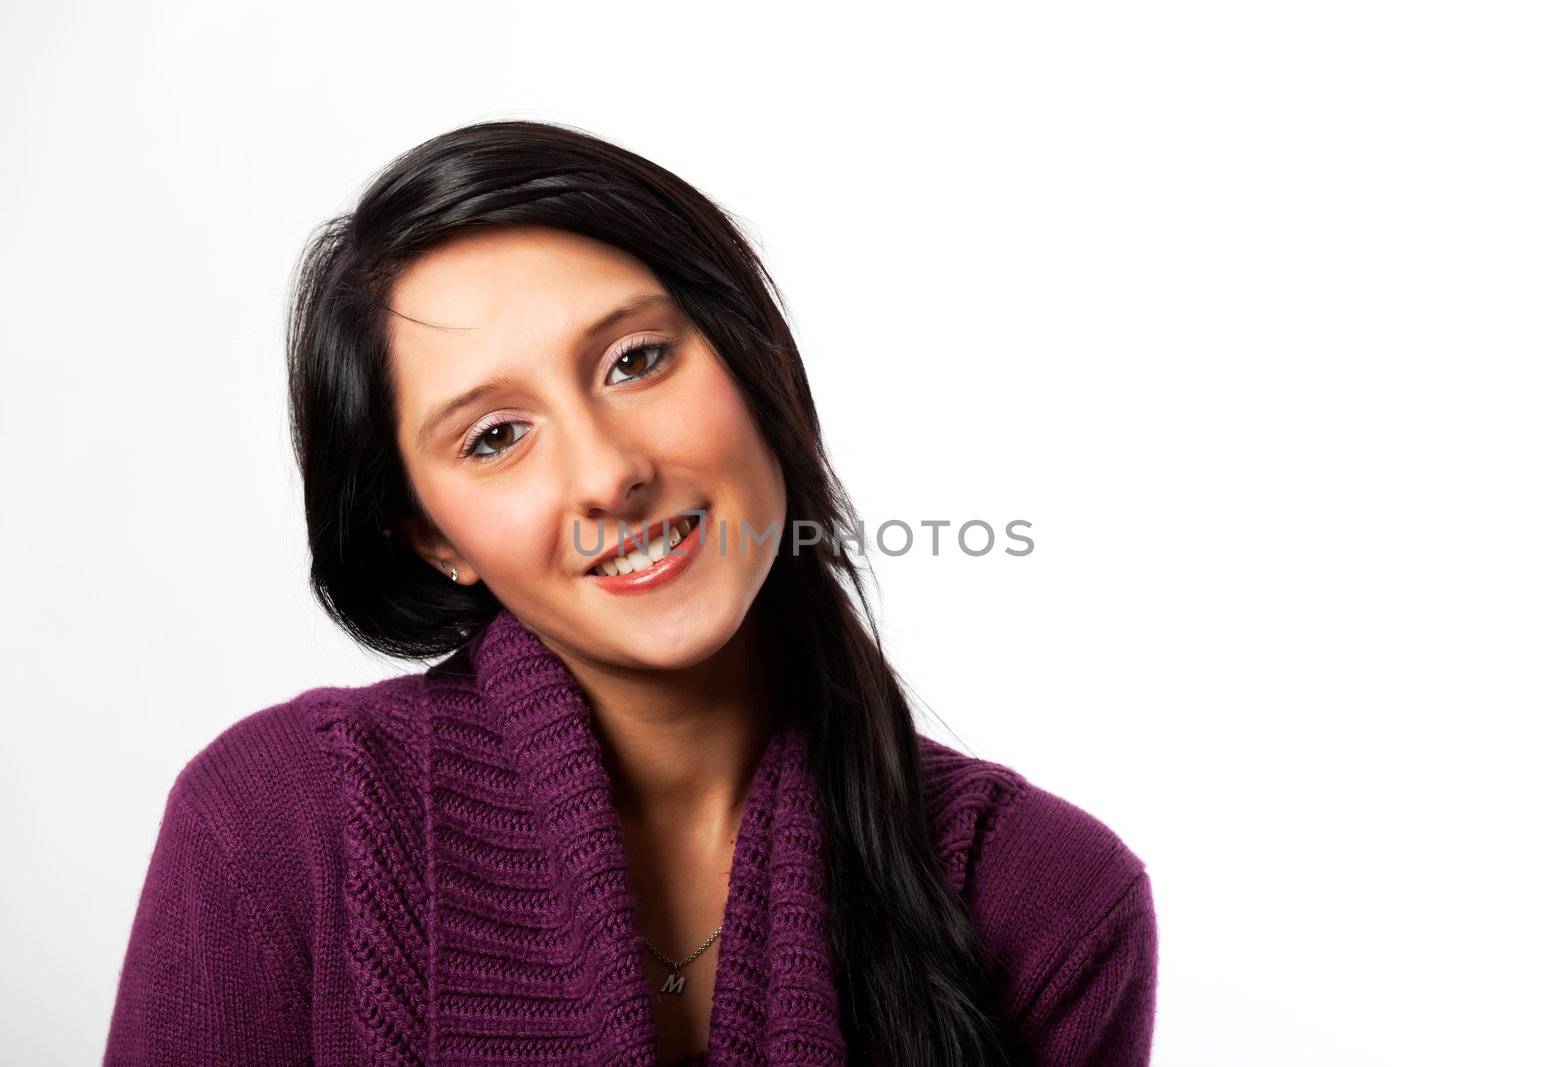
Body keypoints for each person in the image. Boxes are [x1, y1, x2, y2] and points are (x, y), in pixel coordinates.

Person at [103, 120, 1158, 1066]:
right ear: (434, 535)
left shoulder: (1050, 898)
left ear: (750, 361)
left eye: (635, 360)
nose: (609, 473)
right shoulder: (279, 825)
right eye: (495, 436)